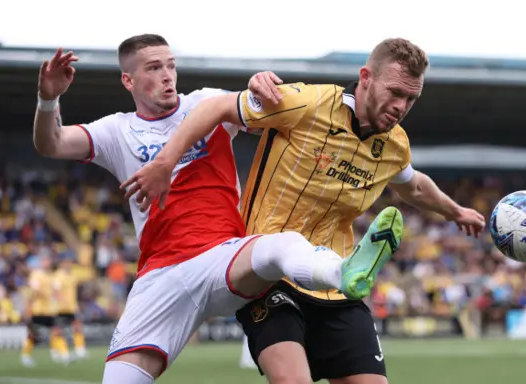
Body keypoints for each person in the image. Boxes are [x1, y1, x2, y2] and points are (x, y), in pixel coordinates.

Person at [33, 34, 403, 384]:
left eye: (170, 65)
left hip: (223, 258)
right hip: (160, 276)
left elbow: (265, 110)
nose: (166, 76)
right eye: (153, 68)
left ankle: (343, 272)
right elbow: (51, 144)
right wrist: (48, 100)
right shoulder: (116, 131)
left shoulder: (205, 103)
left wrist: (262, 84)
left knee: (279, 245)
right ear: (128, 81)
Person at [123, 37, 486, 383]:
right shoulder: (306, 103)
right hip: (268, 275)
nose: (401, 107)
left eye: (411, 98)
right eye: (395, 92)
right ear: (365, 78)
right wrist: (166, 162)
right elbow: (215, 107)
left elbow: (415, 185)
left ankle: (343, 272)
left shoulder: (394, 146)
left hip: (339, 283)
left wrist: (456, 212)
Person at [21, 256, 70, 367]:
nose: (46, 262)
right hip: (38, 310)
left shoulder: (51, 276)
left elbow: (55, 292)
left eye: (48, 260)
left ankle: (64, 354)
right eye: (44, 260)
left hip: (50, 310)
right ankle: (26, 355)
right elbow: (34, 291)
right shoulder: (36, 274)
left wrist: (59, 299)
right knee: (33, 334)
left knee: (57, 331)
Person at [53, 258, 88, 360]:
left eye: (70, 262)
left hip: (72, 307)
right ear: (62, 264)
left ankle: (80, 349)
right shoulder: (58, 275)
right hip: (61, 308)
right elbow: (55, 291)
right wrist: (59, 302)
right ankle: (57, 350)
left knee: (77, 326)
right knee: (58, 330)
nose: (69, 264)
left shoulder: (72, 276)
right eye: (67, 262)